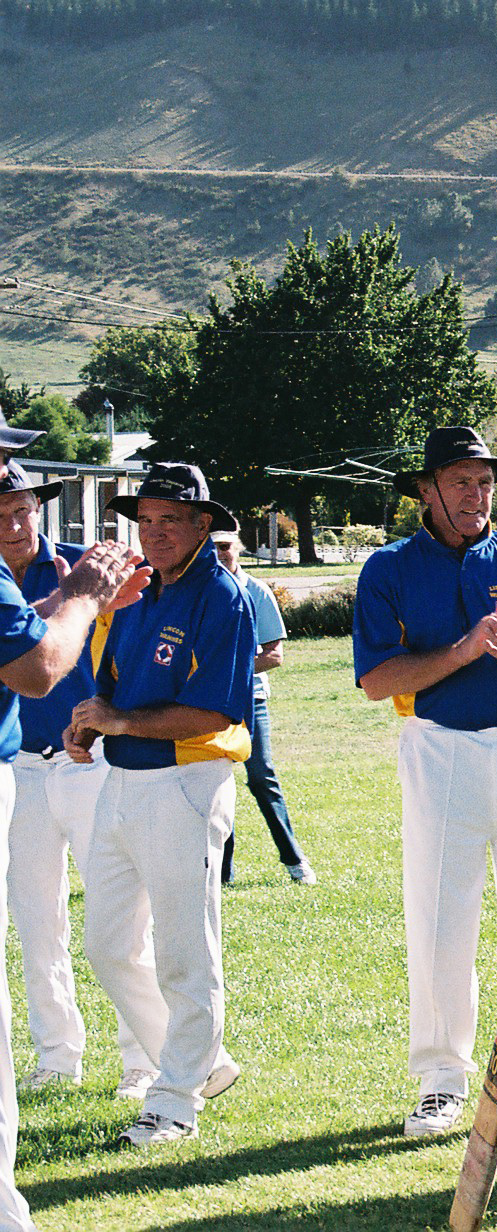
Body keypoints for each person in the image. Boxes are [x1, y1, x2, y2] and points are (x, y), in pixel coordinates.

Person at [352, 426, 497, 1138]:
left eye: (485, 482)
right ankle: (441, 1081)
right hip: (438, 750)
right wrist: (463, 650)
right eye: (460, 481)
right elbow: (377, 679)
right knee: (438, 919)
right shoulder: (390, 568)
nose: (476, 495)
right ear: (426, 490)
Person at [65, 463, 253, 1148]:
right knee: (108, 946)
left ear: (203, 525)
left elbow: (214, 712)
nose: (155, 532)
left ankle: (174, 1101)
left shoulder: (223, 596)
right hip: (122, 780)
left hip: (186, 781)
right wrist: (89, 723)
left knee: (184, 953)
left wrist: (119, 721)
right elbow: (113, 684)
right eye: (145, 520)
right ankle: (205, 1061)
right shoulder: (140, 591)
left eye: (170, 519)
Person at [0, 469, 147, 1222]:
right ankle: (57, 1055)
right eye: (3, 512)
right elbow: (27, 653)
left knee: (117, 917)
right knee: (36, 920)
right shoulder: (50, 586)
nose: (15, 524)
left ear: (38, 510)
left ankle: (141, 1061)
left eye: (22, 508)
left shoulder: (80, 569)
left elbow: (118, 652)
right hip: (20, 766)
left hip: (83, 759)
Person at [211, 531, 315, 886]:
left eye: (225, 546)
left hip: (249, 700)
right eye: (211, 547)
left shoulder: (256, 591)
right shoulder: (200, 592)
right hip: (210, 703)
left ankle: (295, 860)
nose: (219, 553)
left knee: (260, 777)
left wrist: (225, 670)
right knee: (216, 782)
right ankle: (222, 871)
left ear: (238, 549)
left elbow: (274, 655)